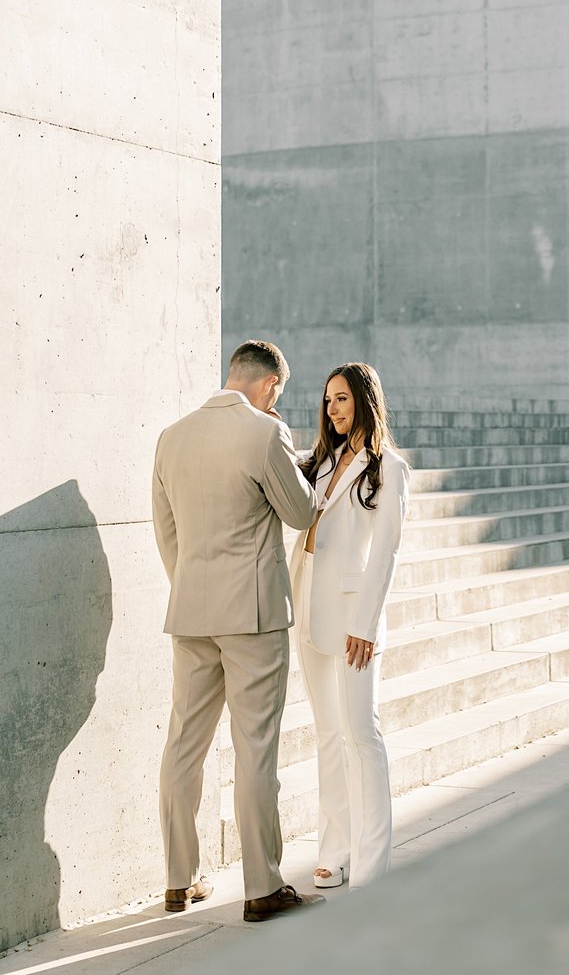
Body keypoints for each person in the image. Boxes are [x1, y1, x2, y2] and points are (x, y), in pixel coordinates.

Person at [152, 340, 322, 923]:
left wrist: (192, 587)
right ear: (271, 385)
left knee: (183, 746)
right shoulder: (265, 434)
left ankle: (178, 882)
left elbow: (166, 531)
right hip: (251, 616)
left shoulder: (171, 437)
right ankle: (262, 887)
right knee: (255, 750)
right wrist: (288, 445)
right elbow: (301, 514)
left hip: (192, 610)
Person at [290, 362, 409, 890]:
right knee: (329, 734)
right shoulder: (320, 462)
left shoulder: (389, 468)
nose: (333, 408)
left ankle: (372, 864)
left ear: (365, 400)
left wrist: (366, 623)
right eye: (328, 400)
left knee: (362, 734)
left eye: (342, 399)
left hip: (354, 618)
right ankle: (334, 850)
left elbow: (385, 552)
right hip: (310, 611)